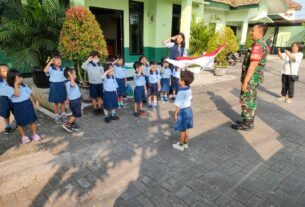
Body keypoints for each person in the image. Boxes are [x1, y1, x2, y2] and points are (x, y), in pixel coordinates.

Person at [231, 22, 268, 131]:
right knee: (249, 99)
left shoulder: (258, 45)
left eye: (253, 31)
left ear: (260, 33)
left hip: (251, 79)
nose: (250, 32)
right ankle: (246, 120)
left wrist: (245, 82)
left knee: (247, 100)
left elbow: (253, 65)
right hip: (254, 79)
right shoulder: (259, 44)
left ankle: (247, 124)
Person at [6, 69, 41, 144]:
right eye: (18, 77)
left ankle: (34, 134)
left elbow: (28, 95)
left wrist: (33, 104)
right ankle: (23, 136)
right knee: (20, 123)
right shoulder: (9, 88)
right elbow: (17, 94)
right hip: (18, 106)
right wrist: (16, 85)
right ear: (12, 79)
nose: (21, 79)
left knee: (32, 120)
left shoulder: (23, 85)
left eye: (21, 77)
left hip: (27, 104)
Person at [172, 70, 194, 151]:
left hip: (183, 111)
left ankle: (181, 145)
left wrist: (175, 114)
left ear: (183, 81)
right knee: (186, 128)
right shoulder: (189, 88)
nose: (178, 80)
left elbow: (178, 104)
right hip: (189, 110)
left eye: (179, 79)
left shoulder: (181, 92)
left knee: (182, 129)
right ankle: (185, 143)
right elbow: (191, 99)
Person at [44, 54, 67, 123]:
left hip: (61, 86)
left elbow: (65, 80)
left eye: (60, 59)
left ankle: (63, 115)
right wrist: (50, 62)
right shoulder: (51, 69)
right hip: (54, 86)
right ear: (53, 61)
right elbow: (45, 70)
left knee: (63, 102)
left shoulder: (63, 69)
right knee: (56, 103)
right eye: (56, 59)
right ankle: (56, 116)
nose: (59, 61)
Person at [81, 51, 104, 115]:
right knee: (94, 97)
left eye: (97, 57)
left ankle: (99, 108)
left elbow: (103, 74)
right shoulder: (88, 65)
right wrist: (88, 60)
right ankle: (95, 108)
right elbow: (82, 66)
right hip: (93, 84)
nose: (96, 59)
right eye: (94, 58)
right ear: (91, 58)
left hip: (100, 83)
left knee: (100, 97)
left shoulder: (100, 66)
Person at [62, 67, 82, 133]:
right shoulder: (69, 82)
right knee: (76, 114)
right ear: (70, 76)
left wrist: (67, 99)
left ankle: (72, 125)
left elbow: (68, 92)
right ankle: (67, 124)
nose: (75, 75)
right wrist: (71, 76)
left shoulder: (68, 82)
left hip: (75, 100)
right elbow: (72, 85)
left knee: (74, 113)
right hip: (75, 101)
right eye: (74, 74)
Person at [0, 64, 13, 134]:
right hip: (3, 98)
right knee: (5, 113)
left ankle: (19, 123)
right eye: (4, 71)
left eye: (7, 70)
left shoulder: (12, 79)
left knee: (16, 110)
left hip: (13, 97)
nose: (6, 72)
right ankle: (8, 126)